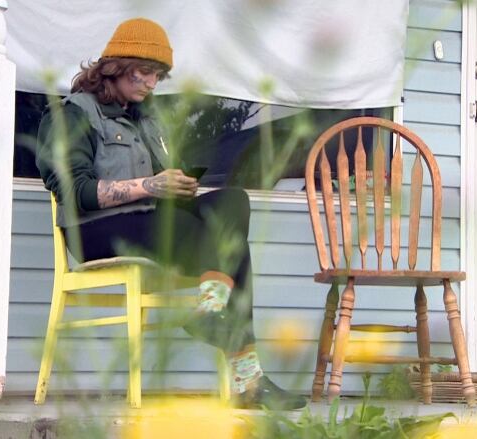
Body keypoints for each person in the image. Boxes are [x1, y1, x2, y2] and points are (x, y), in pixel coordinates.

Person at [35, 17, 306, 410]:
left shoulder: (147, 119)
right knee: (221, 244)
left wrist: (177, 187)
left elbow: (160, 192)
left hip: (152, 218)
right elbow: (76, 193)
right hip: (95, 230)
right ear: (115, 66)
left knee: (232, 204)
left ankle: (210, 311)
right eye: (145, 71)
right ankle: (248, 379)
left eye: (158, 76)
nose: (151, 83)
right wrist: (150, 186)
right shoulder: (72, 114)